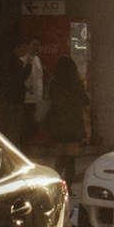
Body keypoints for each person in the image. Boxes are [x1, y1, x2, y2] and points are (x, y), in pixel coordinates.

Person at [42, 55, 91, 190]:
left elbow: (50, 100)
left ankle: (58, 182)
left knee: (63, 155)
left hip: (57, 122)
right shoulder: (77, 83)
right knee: (71, 158)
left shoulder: (53, 83)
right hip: (73, 123)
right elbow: (86, 100)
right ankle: (62, 183)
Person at [0, 37, 32, 146]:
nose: (24, 51)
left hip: (8, 98)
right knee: (13, 127)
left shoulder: (7, 60)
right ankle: (12, 149)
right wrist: (29, 65)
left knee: (10, 126)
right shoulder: (15, 62)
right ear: (16, 48)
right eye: (22, 48)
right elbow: (21, 76)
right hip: (14, 100)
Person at [20, 35, 44, 153]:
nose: (36, 47)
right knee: (27, 125)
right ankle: (25, 149)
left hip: (37, 98)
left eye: (38, 45)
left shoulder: (37, 60)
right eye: (33, 45)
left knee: (34, 125)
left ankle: (28, 148)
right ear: (28, 45)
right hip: (27, 99)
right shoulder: (23, 60)